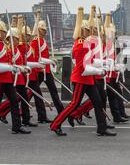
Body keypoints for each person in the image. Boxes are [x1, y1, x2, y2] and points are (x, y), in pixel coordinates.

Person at [49, 7, 116, 137]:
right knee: (73, 104)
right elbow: (83, 67)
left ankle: (101, 128)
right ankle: (55, 124)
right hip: (80, 79)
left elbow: (91, 61)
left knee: (98, 102)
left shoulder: (86, 43)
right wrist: (99, 70)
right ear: (83, 30)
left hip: (88, 79)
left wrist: (104, 63)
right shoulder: (80, 45)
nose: (90, 32)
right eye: (88, 30)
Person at [30, 12, 64, 115]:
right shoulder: (34, 42)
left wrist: (50, 59)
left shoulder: (43, 41)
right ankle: (39, 114)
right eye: (42, 30)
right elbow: (37, 59)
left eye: (45, 30)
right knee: (34, 93)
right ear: (38, 30)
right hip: (39, 70)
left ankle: (61, 111)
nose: (44, 32)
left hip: (47, 70)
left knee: (53, 91)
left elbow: (45, 56)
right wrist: (49, 61)